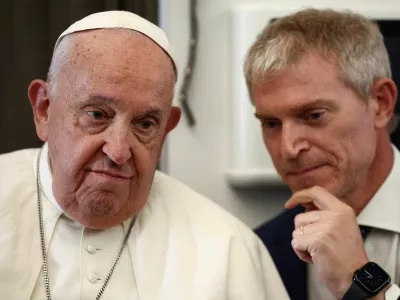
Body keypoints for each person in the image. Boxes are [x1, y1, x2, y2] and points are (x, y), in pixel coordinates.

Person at [0, 11, 289, 300]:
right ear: (44, 109)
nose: (118, 150)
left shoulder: (228, 250)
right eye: (97, 114)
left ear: (165, 131)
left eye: (145, 124)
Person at [243, 8, 400, 300]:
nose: (288, 148)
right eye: (271, 123)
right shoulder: (258, 249)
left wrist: (360, 283)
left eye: (314, 115)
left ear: (380, 103)